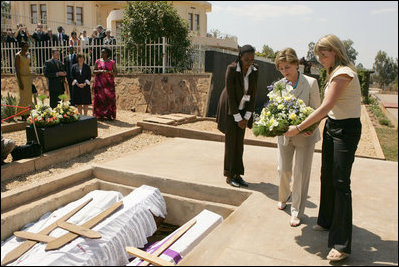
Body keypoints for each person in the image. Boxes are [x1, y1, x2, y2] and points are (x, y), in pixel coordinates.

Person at [284, 34, 362, 262]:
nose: (320, 59)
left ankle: (342, 244)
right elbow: (328, 110)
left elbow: (326, 105)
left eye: (323, 54)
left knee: (340, 182)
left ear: (335, 53)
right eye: (318, 54)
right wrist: (314, 124)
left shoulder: (344, 73)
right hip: (333, 126)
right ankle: (326, 221)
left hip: (346, 131)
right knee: (327, 175)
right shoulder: (333, 72)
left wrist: (299, 127)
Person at [274, 48, 321, 227]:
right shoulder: (279, 84)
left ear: (296, 64)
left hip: (305, 137)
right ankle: (283, 197)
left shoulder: (311, 83)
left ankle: (296, 211)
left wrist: (309, 127)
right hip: (285, 136)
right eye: (281, 69)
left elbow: (317, 110)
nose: (285, 72)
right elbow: (276, 109)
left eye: (287, 67)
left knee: (301, 173)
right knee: (283, 169)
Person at [216, 45, 258, 188]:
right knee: (231, 143)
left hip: (243, 109)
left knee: (239, 145)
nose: (249, 62)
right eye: (246, 59)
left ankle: (238, 175)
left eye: (252, 59)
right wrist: (238, 118)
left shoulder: (255, 71)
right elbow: (230, 95)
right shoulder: (232, 69)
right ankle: (229, 175)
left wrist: (246, 117)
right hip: (230, 108)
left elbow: (253, 95)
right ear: (240, 57)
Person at [92, 47, 117, 120]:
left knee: (109, 99)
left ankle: (109, 115)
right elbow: (94, 71)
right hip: (99, 84)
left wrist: (109, 72)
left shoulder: (112, 62)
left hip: (109, 85)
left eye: (103, 52)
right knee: (99, 99)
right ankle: (100, 115)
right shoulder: (98, 61)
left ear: (107, 54)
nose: (101, 54)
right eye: (101, 52)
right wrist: (101, 71)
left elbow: (115, 72)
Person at [15, 41, 33, 121]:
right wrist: (20, 82)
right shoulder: (18, 56)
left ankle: (28, 112)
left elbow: (29, 64)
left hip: (28, 77)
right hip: (21, 77)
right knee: (23, 96)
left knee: (28, 96)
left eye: (27, 46)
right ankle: (22, 114)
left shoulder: (28, 55)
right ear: (21, 47)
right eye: (25, 46)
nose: (26, 48)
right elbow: (17, 69)